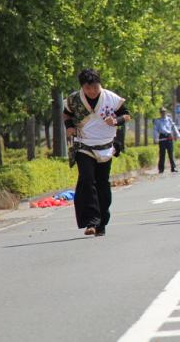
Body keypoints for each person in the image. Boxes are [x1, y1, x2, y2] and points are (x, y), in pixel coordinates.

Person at [64, 68, 131, 237]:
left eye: (95, 87)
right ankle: (91, 221)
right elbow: (67, 114)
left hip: (105, 146)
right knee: (87, 180)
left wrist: (116, 120)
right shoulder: (73, 99)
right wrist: (70, 127)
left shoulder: (111, 98)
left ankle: (102, 222)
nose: (92, 91)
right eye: (88, 89)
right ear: (82, 88)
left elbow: (127, 115)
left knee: (102, 183)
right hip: (83, 144)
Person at [154, 107, 180, 173]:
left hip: (169, 137)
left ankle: (173, 167)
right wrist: (156, 138)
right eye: (162, 112)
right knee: (162, 154)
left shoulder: (169, 119)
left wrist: (178, 134)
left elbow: (174, 127)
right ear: (160, 113)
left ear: (166, 112)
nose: (163, 113)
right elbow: (155, 130)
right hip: (162, 137)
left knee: (171, 153)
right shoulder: (157, 121)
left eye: (164, 112)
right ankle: (161, 169)